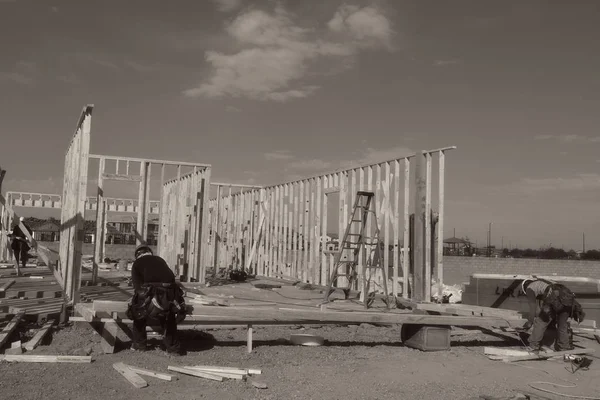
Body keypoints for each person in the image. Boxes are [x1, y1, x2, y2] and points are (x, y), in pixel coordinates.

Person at [126, 244, 187, 355]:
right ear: (150, 252)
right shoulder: (160, 260)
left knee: (138, 313)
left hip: (152, 294)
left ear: (137, 255)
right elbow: (171, 278)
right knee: (169, 318)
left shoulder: (137, 263)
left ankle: (140, 345)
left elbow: (137, 287)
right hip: (169, 295)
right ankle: (173, 349)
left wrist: (137, 302)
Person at [522, 278, 586, 353]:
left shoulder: (530, 288)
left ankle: (533, 346)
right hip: (568, 300)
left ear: (525, 287)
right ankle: (564, 347)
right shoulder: (545, 282)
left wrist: (530, 322)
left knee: (540, 322)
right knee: (562, 325)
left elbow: (533, 306)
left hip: (555, 298)